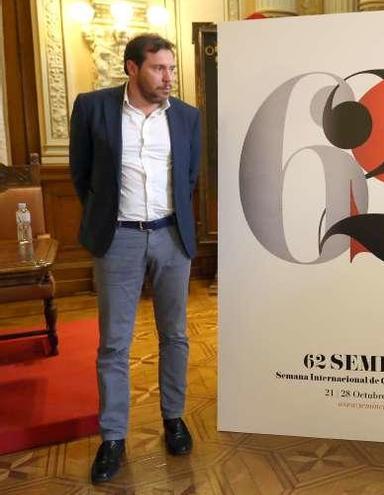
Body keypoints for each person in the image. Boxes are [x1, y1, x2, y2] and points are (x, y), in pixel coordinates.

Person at [69, 34, 201, 484]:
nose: (169, 77)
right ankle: (113, 437)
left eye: (171, 68)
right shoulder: (92, 108)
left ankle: (174, 418)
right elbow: (81, 174)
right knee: (114, 344)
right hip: (118, 239)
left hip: (171, 236)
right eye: (158, 69)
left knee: (176, 334)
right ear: (131, 68)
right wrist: (109, 219)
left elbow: (189, 176)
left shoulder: (186, 116)